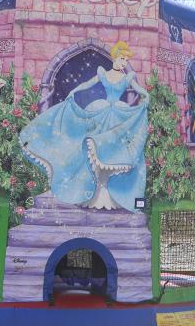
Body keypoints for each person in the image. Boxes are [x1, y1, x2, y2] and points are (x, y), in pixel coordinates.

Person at [20, 41, 149, 212]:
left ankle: (112, 193)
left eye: (126, 60)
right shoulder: (103, 73)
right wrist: (74, 91)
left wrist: (146, 96)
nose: (124, 63)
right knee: (92, 149)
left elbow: (140, 90)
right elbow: (88, 83)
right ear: (115, 58)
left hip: (118, 115)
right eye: (122, 59)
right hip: (101, 111)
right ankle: (93, 191)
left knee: (113, 152)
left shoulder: (128, 77)